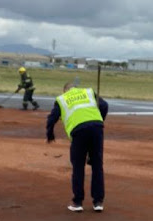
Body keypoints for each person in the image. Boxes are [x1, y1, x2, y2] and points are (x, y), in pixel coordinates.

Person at [46, 82, 109, 212]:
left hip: (79, 131)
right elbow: (104, 105)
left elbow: (52, 118)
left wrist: (50, 134)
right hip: (97, 128)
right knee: (97, 165)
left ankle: (78, 202)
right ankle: (98, 202)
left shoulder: (62, 99)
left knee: (78, 166)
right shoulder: (88, 92)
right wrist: (99, 119)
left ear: (65, 91)